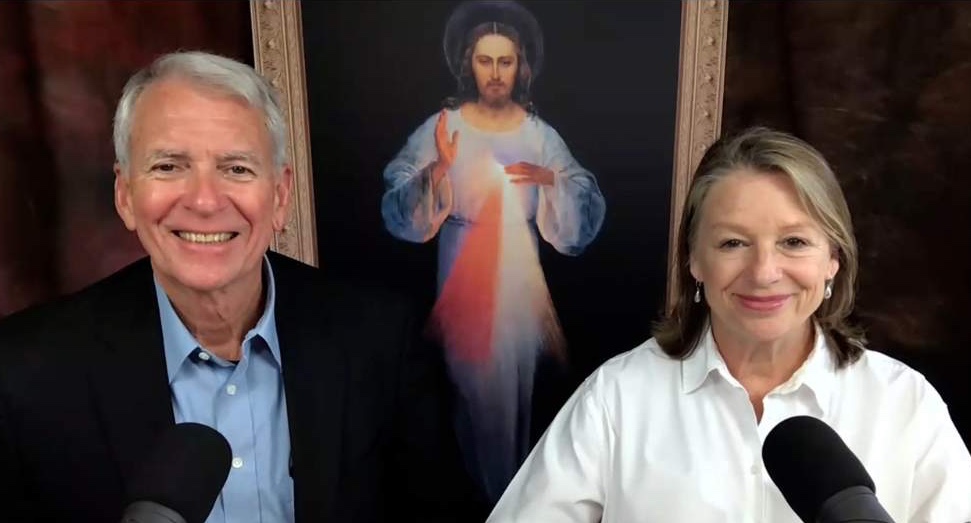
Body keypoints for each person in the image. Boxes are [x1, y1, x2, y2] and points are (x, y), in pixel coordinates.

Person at [0, 51, 483, 523]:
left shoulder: (379, 341)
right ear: (125, 195)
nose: (205, 201)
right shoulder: (25, 373)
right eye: (168, 166)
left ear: (281, 195)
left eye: (236, 168)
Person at [486, 127, 971, 522]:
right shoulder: (617, 398)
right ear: (694, 260)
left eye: (794, 242)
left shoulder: (906, 405)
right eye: (733, 243)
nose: (764, 272)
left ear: (833, 260)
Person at [380, 0, 606, 506]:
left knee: (516, 387)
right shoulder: (444, 125)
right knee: (469, 386)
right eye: (486, 60)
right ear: (470, 64)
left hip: (519, 271)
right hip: (463, 265)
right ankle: (480, 499)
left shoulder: (538, 133)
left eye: (506, 61)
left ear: (521, 66)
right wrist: (439, 167)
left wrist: (548, 179)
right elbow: (397, 198)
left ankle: (510, 499)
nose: (496, 73)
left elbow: (583, 201)